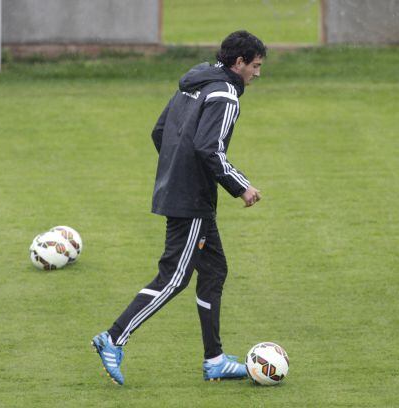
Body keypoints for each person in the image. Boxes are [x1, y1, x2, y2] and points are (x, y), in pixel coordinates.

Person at [92, 30, 266, 385]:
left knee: (214, 271)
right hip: (192, 201)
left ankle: (214, 360)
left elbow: (160, 132)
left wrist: (176, 172)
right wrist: (241, 186)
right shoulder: (226, 94)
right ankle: (113, 338)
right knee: (174, 277)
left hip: (182, 191)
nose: (257, 74)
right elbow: (209, 148)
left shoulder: (196, 79)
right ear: (239, 63)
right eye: (256, 66)